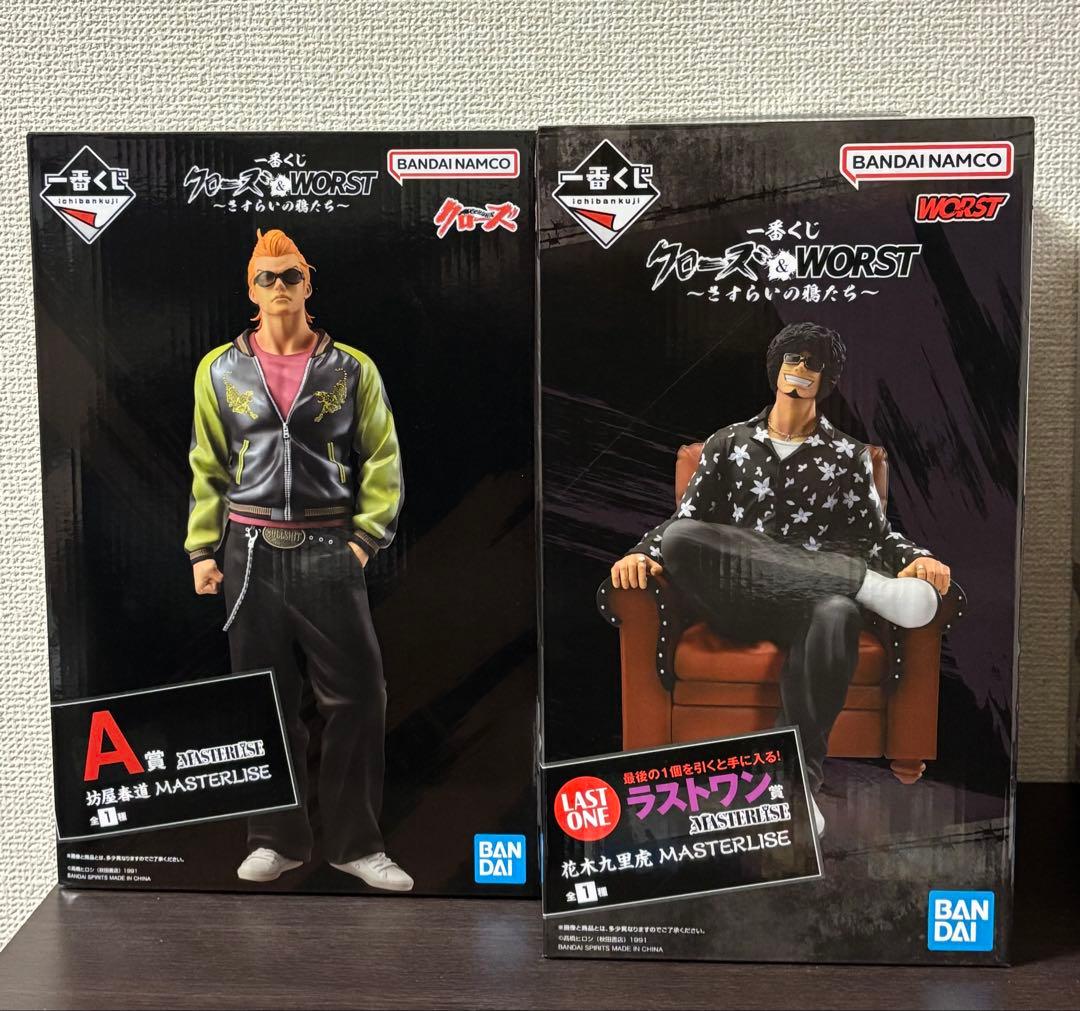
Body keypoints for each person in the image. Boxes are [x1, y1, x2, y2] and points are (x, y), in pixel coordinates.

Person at [610, 322, 952, 833]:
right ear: (776, 369)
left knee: (837, 612)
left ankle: (794, 785)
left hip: (808, 604)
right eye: (793, 360)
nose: (800, 371)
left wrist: (918, 558)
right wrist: (641, 553)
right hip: (737, 598)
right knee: (682, 539)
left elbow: (877, 535)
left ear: (827, 379)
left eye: (813, 364)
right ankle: (861, 582)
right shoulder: (727, 443)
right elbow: (686, 521)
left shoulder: (849, 456)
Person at [185, 227, 412, 890]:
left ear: (309, 281)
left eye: (291, 276)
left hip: (327, 546)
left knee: (360, 695)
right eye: (267, 277)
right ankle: (272, 839)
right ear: (250, 289)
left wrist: (364, 540)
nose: (280, 287)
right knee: (262, 700)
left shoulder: (352, 368)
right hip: (248, 549)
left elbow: (383, 458)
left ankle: (356, 844)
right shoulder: (219, 369)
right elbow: (207, 464)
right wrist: (202, 548)